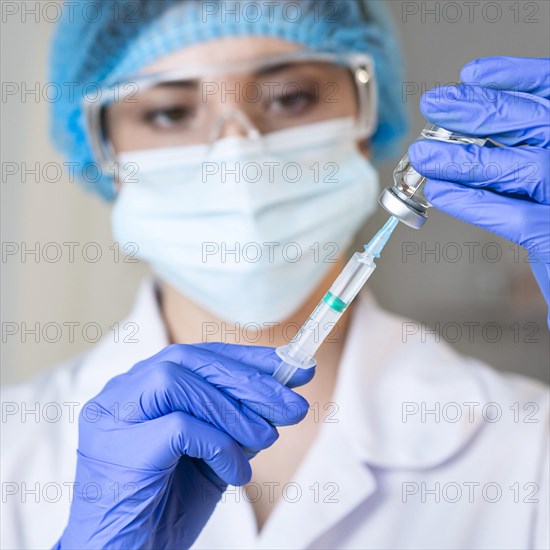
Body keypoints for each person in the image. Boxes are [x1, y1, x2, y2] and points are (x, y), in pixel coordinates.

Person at [1, 1, 548, 548]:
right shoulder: (15, 447)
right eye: (169, 112)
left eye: (290, 98)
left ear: (366, 117)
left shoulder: (529, 444)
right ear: (103, 154)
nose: (239, 155)